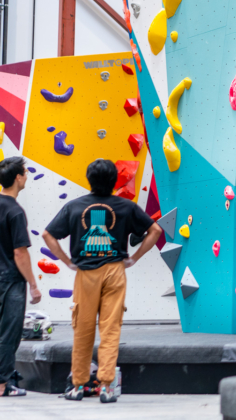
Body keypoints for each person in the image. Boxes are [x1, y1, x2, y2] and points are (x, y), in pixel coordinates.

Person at [42, 160, 163, 403]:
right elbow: (156, 231)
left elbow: (47, 234)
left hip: (85, 273)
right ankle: (107, 387)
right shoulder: (126, 206)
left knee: (83, 329)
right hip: (115, 271)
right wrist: (135, 258)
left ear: (89, 179)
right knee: (110, 329)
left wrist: (67, 261)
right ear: (114, 180)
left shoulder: (74, 207)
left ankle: (77, 386)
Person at [0, 157, 40, 397]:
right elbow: (19, 252)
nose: (27, 176)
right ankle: (3, 384)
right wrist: (33, 285)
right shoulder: (15, 211)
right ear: (18, 178)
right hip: (10, 280)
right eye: (25, 173)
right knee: (9, 333)